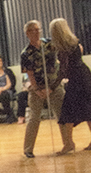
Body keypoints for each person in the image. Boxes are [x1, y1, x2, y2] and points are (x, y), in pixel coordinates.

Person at [49, 18, 91, 152]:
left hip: (76, 79)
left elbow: (63, 71)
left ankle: (69, 143)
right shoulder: (75, 43)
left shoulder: (63, 49)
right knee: (87, 107)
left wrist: (53, 86)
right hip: (85, 74)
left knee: (68, 110)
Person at [19, 20, 66, 158]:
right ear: (27, 33)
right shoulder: (26, 53)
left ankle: (67, 143)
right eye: (32, 30)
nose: (36, 32)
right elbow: (29, 73)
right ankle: (28, 149)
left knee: (62, 115)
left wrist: (52, 87)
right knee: (34, 118)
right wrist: (37, 90)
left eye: (38, 29)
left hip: (55, 85)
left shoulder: (50, 44)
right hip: (37, 88)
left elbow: (61, 59)